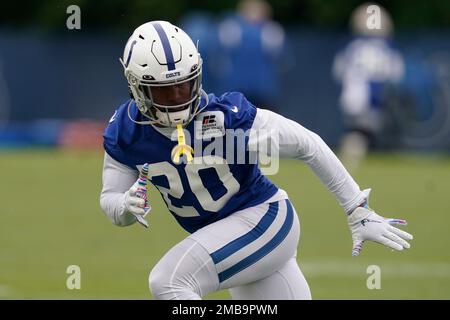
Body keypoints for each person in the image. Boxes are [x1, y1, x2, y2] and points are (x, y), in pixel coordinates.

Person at [99, 21, 413, 300]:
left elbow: (307, 143)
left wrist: (356, 208)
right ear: (137, 87)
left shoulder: (227, 118)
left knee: (168, 282)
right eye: (166, 91)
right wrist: (125, 206)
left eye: (185, 84)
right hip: (230, 237)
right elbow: (111, 199)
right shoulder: (125, 132)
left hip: (265, 219)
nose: (180, 97)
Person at [333, 3, 404, 171]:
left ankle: (347, 165)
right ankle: (346, 167)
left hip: (351, 95)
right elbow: (395, 73)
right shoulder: (387, 47)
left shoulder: (351, 46)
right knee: (361, 133)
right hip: (370, 96)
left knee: (357, 131)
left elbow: (338, 71)